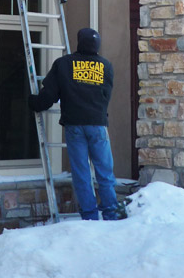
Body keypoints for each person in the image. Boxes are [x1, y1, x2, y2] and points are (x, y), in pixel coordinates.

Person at [28, 27, 121, 221]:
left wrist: (33, 103)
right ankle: (111, 211)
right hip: (97, 125)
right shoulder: (106, 66)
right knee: (104, 171)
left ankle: (89, 215)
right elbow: (106, 96)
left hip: (75, 126)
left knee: (81, 173)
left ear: (79, 42)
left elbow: (49, 95)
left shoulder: (64, 64)